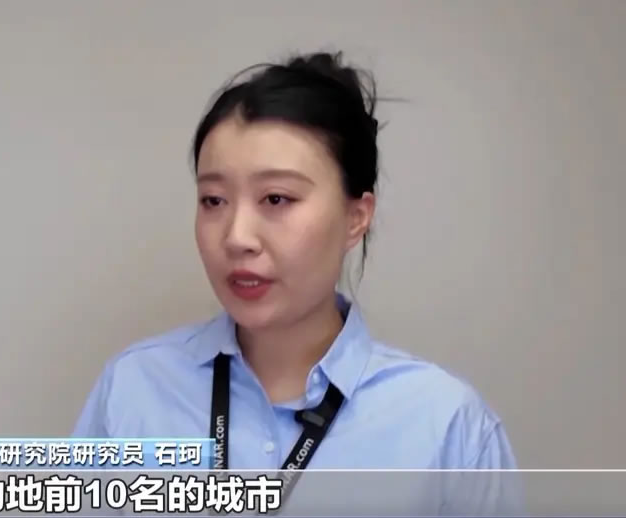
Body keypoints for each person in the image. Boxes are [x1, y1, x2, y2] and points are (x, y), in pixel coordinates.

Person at [71, 51, 523, 515]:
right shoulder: (134, 389)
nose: (237, 237)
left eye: (276, 198)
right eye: (214, 200)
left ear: (355, 217)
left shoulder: (448, 428)